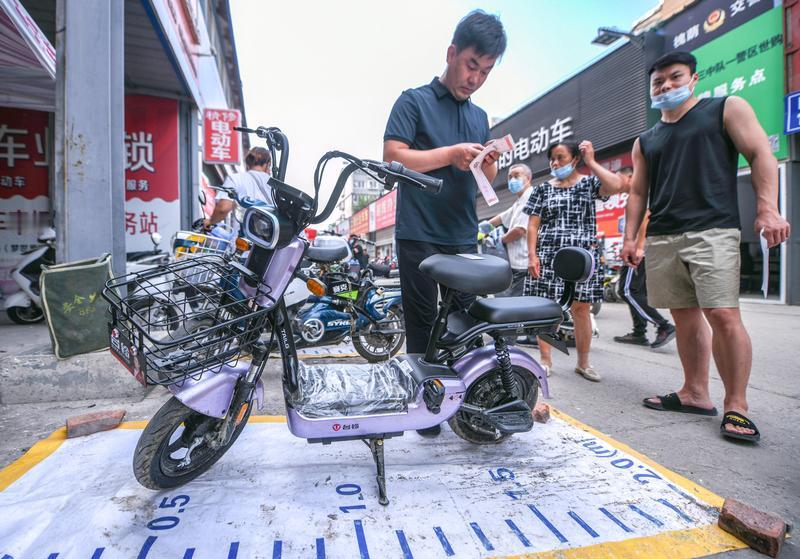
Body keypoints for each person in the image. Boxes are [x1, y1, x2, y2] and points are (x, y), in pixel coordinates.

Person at [621, 51, 790, 443]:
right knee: (684, 316)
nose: (665, 86)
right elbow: (638, 192)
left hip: (713, 229)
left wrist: (767, 208)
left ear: (694, 78)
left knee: (723, 313)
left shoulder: (725, 109)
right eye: (658, 82)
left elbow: (760, 153)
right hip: (664, 235)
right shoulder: (646, 140)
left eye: (675, 77)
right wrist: (631, 238)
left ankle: (737, 405)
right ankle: (695, 393)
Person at [383, 10, 505, 437]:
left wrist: (488, 162)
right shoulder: (413, 101)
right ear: (452, 53)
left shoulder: (480, 116)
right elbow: (393, 157)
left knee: (467, 321)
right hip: (418, 231)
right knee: (421, 323)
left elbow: (483, 179)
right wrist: (450, 154)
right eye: (471, 65)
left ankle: (469, 401)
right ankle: (426, 406)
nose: (475, 78)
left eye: (485, 71)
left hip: (461, 232)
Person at [525, 140, 624, 381]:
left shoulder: (589, 184)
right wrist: (532, 255)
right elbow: (533, 225)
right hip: (549, 256)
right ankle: (545, 360)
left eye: (561, 157)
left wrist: (592, 161)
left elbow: (615, 185)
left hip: (582, 257)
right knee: (547, 309)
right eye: (552, 159)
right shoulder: (542, 189)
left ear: (575, 159)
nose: (555, 163)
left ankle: (583, 363)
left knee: (581, 309)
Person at [612, 166, 676, 348]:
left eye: (618, 178)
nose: (616, 183)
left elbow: (646, 218)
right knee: (637, 291)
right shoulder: (636, 195)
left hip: (639, 252)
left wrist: (639, 247)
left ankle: (663, 326)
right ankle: (639, 332)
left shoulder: (641, 193)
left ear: (630, 177)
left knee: (627, 291)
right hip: (642, 250)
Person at [486, 163, 534, 297]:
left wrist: (499, 241)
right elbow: (501, 217)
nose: (512, 180)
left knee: (516, 303)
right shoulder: (519, 201)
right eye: (510, 177)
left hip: (523, 264)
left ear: (528, 178)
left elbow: (519, 230)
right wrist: (480, 228)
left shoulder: (530, 197)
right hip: (518, 263)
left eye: (517, 176)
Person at [204, 147, 274, 229]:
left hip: (243, 234)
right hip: (270, 234)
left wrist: (210, 222)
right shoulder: (275, 185)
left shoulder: (235, 179)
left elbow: (223, 208)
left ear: (247, 164)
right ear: (268, 164)